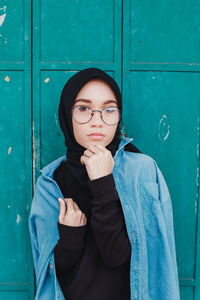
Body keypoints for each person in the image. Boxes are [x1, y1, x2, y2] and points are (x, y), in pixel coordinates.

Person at [28, 68, 180, 300]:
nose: (97, 121)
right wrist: (70, 235)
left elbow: (119, 256)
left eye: (108, 109)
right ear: (66, 115)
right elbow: (50, 271)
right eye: (83, 109)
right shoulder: (50, 182)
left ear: (118, 116)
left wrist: (102, 183)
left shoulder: (143, 172)